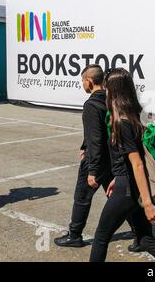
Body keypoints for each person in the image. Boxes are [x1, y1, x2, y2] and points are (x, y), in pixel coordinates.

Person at [89, 68, 155, 262]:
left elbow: (137, 164)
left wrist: (147, 203)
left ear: (113, 90)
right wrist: (117, 177)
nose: (105, 91)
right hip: (129, 184)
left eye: (107, 87)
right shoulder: (137, 114)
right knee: (146, 240)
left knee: (101, 237)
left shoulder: (122, 121)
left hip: (127, 189)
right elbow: (129, 161)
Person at [54, 64, 117, 247]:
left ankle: (74, 235)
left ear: (89, 81)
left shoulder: (91, 105)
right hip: (112, 159)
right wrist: (84, 144)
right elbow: (99, 131)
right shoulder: (110, 100)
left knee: (82, 197)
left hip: (96, 160)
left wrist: (92, 170)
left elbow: (96, 139)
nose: (82, 83)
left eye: (82, 80)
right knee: (118, 197)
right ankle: (141, 235)